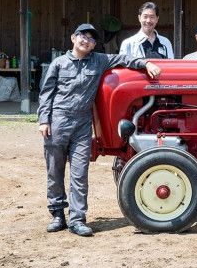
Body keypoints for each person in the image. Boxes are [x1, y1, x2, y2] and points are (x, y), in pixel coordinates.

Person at [38, 23, 161, 237]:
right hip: (58, 120)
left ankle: (77, 219)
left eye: (91, 39)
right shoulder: (58, 64)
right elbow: (46, 93)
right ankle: (57, 214)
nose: (86, 41)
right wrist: (43, 120)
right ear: (73, 38)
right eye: (82, 37)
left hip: (83, 124)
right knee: (54, 170)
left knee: (79, 173)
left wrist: (146, 63)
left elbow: (125, 59)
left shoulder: (99, 60)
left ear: (95, 44)